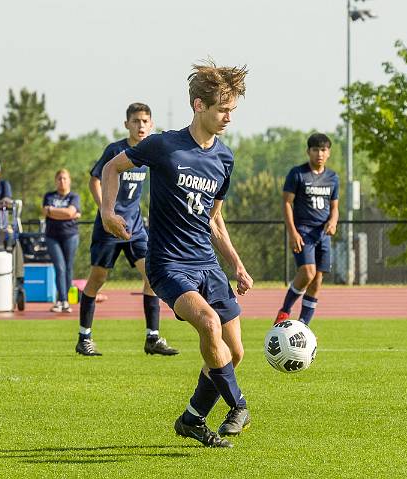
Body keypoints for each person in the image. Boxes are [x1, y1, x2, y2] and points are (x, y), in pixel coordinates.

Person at [101, 61, 253, 448]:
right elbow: (111, 169)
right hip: (168, 264)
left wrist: (236, 263)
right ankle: (238, 405)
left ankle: (192, 418)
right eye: (222, 109)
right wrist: (108, 211)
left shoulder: (225, 158)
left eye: (232, 110)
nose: (228, 118)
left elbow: (214, 220)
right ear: (199, 105)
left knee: (233, 353)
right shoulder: (163, 145)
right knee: (208, 323)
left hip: (207, 263)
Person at [76, 102, 178, 357]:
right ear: (127, 124)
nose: (140, 125)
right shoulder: (116, 150)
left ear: (151, 124)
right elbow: (94, 180)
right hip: (109, 229)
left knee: (151, 276)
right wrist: (105, 211)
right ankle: (84, 336)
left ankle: (152, 337)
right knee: (97, 280)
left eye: (145, 121)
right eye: (135, 121)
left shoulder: (150, 152)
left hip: (135, 229)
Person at [274, 133, 339, 326]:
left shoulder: (332, 177)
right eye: (316, 150)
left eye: (323, 150)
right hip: (303, 231)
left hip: (323, 235)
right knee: (307, 273)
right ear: (308, 152)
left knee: (317, 280)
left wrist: (333, 222)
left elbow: (335, 207)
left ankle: (302, 326)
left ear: (329, 153)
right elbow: (286, 203)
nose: (319, 154)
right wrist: (292, 232)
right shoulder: (298, 174)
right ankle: (284, 311)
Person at [42, 169, 81, 313]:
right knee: (59, 267)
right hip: (52, 236)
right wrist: (67, 214)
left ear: (69, 180)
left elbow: (71, 212)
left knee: (68, 267)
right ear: (55, 180)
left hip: (70, 236)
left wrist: (53, 212)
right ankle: (61, 300)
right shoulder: (49, 196)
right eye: (59, 178)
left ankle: (65, 301)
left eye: (64, 178)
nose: (62, 181)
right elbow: (46, 211)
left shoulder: (74, 197)